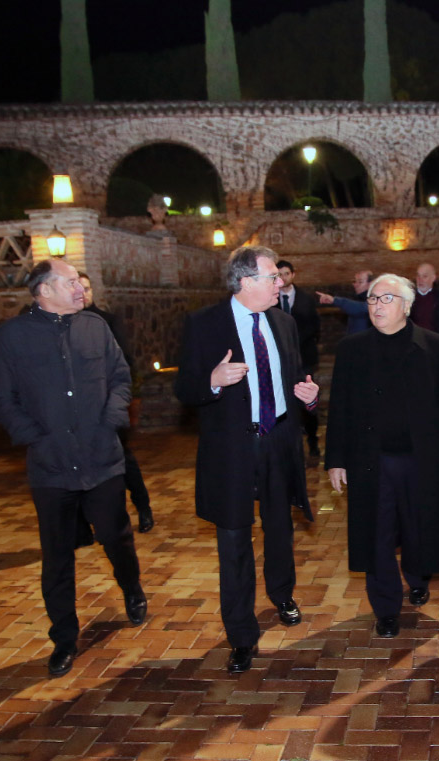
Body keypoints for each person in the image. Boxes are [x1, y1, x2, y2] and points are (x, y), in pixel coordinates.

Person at [0, 259, 146, 678]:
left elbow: (120, 377)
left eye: (80, 281)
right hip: (51, 467)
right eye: (71, 282)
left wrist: (111, 419)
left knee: (116, 537)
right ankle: (64, 638)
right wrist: (39, 438)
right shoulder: (13, 337)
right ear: (44, 291)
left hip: (102, 459)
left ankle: (132, 589)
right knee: (57, 556)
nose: (81, 288)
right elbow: (3, 401)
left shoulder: (95, 327)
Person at [174, 246, 320, 674]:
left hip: (278, 438)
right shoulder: (204, 324)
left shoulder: (284, 322)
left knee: (280, 527)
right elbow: (185, 389)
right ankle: (240, 634)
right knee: (234, 541)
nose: (281, 283)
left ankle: (282, 594)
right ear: (245, 282)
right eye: (273, 277)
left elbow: (295, 377)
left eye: (279, 277)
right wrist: (213, 381)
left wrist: (307, 397)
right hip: (232, 451)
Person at [325, 273, 439, 638]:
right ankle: (386, 608)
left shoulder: (438, 347)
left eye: (385, 299)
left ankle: (418, 576)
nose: (376, 306)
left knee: (419, 527)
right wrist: (336, 459)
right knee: (378, 534)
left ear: (406, 305)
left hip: (422, 460)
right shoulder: (352, 349)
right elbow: (339, 407)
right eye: (372, 299)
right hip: (372, 460)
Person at [79, 272, 155, 533]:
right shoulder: (62, 325)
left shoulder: (107, 322)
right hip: (79, 410)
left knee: (123, 459)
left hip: (109, 405)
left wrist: (118, 402)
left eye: (87, 288)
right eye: (79, 288)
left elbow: (125, 364)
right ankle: (87, 520)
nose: (83, 293)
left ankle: (142, 506)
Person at [276, 260, 322, 457]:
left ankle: (313, 439)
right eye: (280, 274)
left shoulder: (306, 299)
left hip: (304, 358)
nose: (284, 278)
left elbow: (315, 325)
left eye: (287, 273)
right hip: (279, 359)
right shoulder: (270, 299)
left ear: (293, 275)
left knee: (308, 398)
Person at [317, 269, 373, 333]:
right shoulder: (358, 297)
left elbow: (360, 308)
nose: (355, 284)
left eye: (360, 282)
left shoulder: (374, 299)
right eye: (354, 281)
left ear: (370, 284)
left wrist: (334, 300)